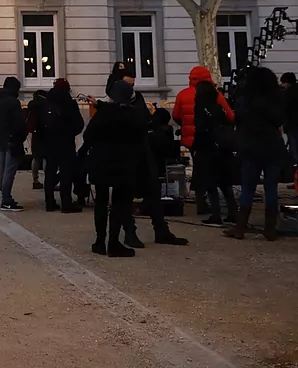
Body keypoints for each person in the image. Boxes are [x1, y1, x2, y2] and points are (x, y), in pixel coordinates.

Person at [120, 67, 188, 247]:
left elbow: (144, 120)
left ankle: (161, 230)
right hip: (126, 155)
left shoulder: (137, 99)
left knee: (153, 191)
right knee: (125, 196)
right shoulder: (115, 102)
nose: (130, 88)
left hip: (142, 151)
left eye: (132, 84)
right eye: (127, 85)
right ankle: (129, 232)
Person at [226, 66, 287, 242]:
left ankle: (240, 227)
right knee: (271, 189)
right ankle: (270, 229)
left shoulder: (244, 99)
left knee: (248, 188)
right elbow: (279, 120)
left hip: (250, 146)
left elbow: (237, 119)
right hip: (272, 145)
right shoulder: (275, 99)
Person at [84, 80, 143, 257]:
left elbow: (88, 136)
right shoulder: (133, 115)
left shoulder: (103, 114)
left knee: (101, 203)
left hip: (101, 162)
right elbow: (140, 139)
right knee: (119, 204)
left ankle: (100, 241)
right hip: (122, 163)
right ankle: (114, 242)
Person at [192, 80, 238, 226]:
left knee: (210, 183)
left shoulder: (200, 108)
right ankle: (233, 212)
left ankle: (216, 214)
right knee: (225, 183)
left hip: (207, 148)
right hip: (222, 149)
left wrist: (196, 147)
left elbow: (200, 128)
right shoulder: (218, 107)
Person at [41, 79, 85, 213]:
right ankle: (66, 203)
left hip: (49, 143)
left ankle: (49, 202)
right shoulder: (70, 103)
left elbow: (41, 123)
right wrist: (70, 133)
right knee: (66, 173)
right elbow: (79, 124)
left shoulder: (46, 102)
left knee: (50, 172)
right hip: (66, 143)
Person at [0, 76, 27, 211]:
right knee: (10, 171)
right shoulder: (13, 103)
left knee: (4, 170)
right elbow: (19, 124)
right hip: (13, 140)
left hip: (1, 139)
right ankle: (6, 199)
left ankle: (4, 196)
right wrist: (21, 135)